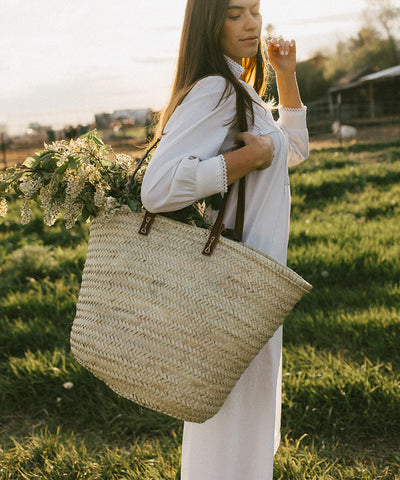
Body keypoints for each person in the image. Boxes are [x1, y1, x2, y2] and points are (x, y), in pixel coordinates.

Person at [141, 0, 309, 478]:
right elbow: (156, 188)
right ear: (209, 24)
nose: (252, 23)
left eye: (255, 10)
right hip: (237, 279)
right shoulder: (216, 89)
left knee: (243, 418)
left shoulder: (239, 87)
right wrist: (245, 161)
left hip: (255, 277)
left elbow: (292, 149)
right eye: (235, 13)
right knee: (233, 420)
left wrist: (285, 74)